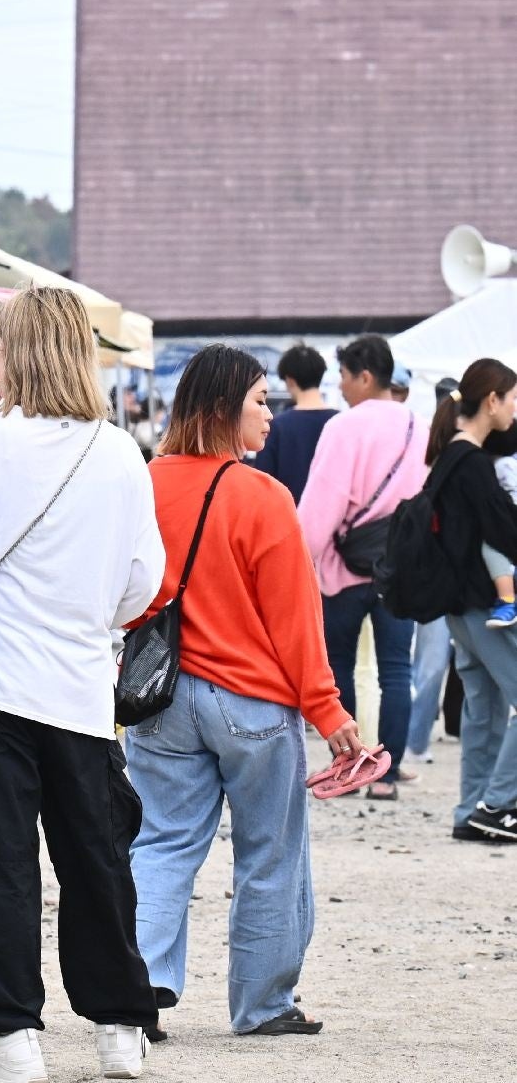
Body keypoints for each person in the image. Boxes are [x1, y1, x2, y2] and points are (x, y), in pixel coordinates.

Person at [0, 286, 164, 1083]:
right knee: (97, 859)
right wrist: (88, 616)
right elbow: (143, 577)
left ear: (16, 355)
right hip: (81, 686)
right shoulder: (119, 452)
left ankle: (8, 1035)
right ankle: (121, 1027)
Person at [126, 346, 360, 1037]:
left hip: (160, 695)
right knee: (270, 852)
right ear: (225, 408)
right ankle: (262, 1005)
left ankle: (136, 989)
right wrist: (327, 710)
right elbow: (294, 619)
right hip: (252, 701)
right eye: (260, 400)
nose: (270, 414)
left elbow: (122, 590)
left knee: (161, 842)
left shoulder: (142, 485)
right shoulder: (263, 497)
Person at [299, 334, 426, 800]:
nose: (341, 386)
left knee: (339, 668)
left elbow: (322, 505)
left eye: (345, 376)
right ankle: (387, 777)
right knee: (396, 671)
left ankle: (350, 767)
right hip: (401, 571)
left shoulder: (344, 427)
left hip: (344, 569)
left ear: (366, 376)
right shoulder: (419, 426)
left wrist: (302, 557)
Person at [417, 361, 517, 844]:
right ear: (492, 401)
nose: (515, 410)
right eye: (512, 400)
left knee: (484, 708)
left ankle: (470, 811)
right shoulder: (472, 464)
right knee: (490, 706)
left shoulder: (449, 457)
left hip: (457, 607)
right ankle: (497, 804)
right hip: (484, 604)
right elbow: (502, 528)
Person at [251, 343, 335, 502]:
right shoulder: (340, 421)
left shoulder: (276, 426)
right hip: (336, 514)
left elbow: (263, 480)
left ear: (289, 380)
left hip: (288, 512)